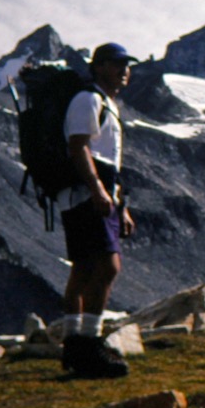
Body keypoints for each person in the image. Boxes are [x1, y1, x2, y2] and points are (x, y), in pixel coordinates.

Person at [59, 42, 138, 378]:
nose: (124, 70)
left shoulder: (107, 104)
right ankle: (89, 345)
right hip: (85, 195)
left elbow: (110, 161)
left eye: (126, 65)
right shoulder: (88, 99)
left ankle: (73, 345)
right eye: (117, 64)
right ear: (99, 66)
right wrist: (97, 189)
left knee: (83, 270)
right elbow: (78, 147)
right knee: (108, 266)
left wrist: (122, 206)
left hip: (93, 195)